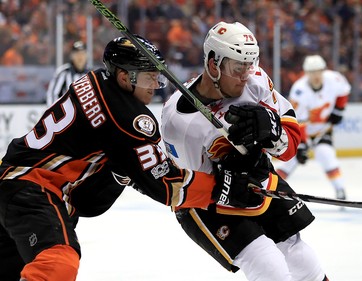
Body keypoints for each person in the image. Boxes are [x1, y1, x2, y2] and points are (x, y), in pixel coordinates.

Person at [0, 36, 258, 281]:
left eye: (157, 75)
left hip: (11, 180)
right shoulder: (130, 119)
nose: (155, 85)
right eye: (149, 77)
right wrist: (222, 189)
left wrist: (127, 171)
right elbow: (168, 184)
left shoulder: (94, 79)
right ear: (124, 77)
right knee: (58, 262)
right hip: (34, 188)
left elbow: (91, 197)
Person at [162, 22, 328, 281]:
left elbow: (290, 144)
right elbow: (183, 188)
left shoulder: (256, 80)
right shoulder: (178, 121)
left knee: (302, 260)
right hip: (207, 205)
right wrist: (227, 184)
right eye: (238, 67)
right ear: (214, 64)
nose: (245, 75)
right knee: (270, 268)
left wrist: (274, 132)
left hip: (258, 178)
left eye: (250, 64)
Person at [276, 55, 351, 200]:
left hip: (322, 130)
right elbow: (299, 121)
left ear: (323, 70)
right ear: (306, 73)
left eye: (318, 71)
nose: (316, 75)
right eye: (312, 72)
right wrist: (302, 144)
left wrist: (338, 110)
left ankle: (340, 190)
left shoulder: (334, 79)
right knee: (289, 161)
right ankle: (273, 189)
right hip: (300, 132)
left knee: (326, 155)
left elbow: (344, 92)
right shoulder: (299, 90)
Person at [46, 40, 90, 106]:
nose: (80, 57)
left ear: (86, 56)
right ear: (72, 56)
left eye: (82, 53)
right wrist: (56, 113)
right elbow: (53, 94)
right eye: (77, 54)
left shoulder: (91, 74)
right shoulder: (63, 72)